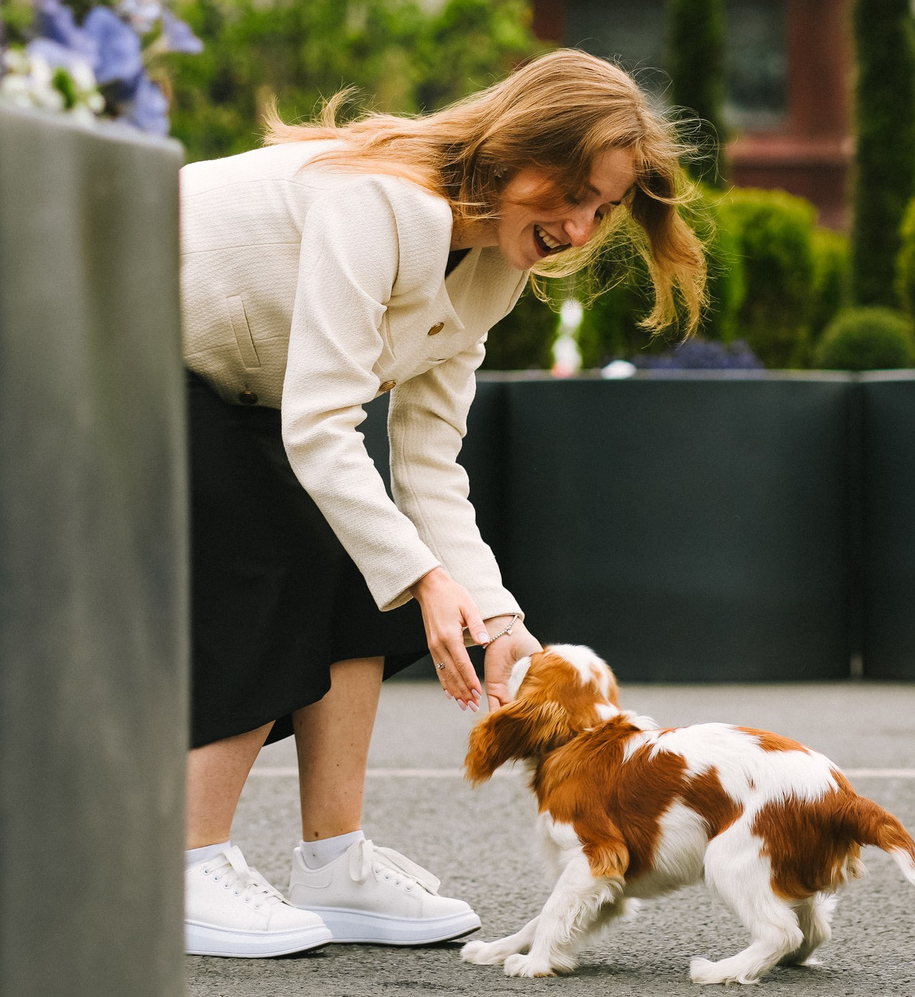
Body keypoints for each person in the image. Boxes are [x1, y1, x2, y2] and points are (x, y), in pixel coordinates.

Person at [175, 50, 706, 956]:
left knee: (354, 564)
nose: (579, 225)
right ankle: (181, 868)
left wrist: (495, 614)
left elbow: (428, 463)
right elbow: (319, 425)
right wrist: (424, 577)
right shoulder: (380, 203)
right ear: (510, 149)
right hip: (103, 342)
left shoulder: (494, 268)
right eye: (571, 188)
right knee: (276, 552)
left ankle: (332, 862)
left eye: (603, 206)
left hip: (238, 385)